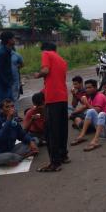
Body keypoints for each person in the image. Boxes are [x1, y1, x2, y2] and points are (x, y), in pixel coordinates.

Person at [34, 42, 69, 172]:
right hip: (63, 97)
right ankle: (63, 155)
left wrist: (37, 74)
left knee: (51, 131)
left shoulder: (46, 53)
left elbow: (46, 70)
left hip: (53, 98)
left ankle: (55, 163)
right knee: (62, 128)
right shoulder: (61, 60)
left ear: (44, 49)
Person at [0, 98, 39, 167]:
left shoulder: (13, 121)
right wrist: (8, 120)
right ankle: (21, 156)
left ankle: (20, 156)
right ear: (1, 110)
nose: (11, 109)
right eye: (7, 107)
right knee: (10, 157)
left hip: (8, 149)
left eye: (12, 106)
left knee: (34, 140)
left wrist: (30, 141)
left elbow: (22, 134)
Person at [0, 31, 16, 102]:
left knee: (10, 105)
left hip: (7, 82)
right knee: (5, 106)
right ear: (9, 40)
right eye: (13, 38)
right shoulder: (1, 52)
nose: (14, 40)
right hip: (3, 84)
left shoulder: (8, 50)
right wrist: (7, 83)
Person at [10, 47, 23, 117]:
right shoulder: (0, 55)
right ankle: (9, 115)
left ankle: (15, 115)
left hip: (15, 80)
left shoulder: (16, 55)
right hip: (5, 81)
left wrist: (15, 66)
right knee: (8, 98)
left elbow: (22, 64)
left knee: (15, 98)